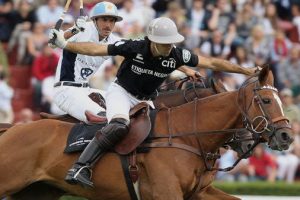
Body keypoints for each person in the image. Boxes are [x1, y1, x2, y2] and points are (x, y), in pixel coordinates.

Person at [49, 17, 256, 188]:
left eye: (171, 42)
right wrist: (65, 44)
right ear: (152, 40)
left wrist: (245, 71)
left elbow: (211, 62)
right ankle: (81, 167)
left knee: (161, 134)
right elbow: (96, 50)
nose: (168, 47)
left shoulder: (176, 54)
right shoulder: (134, 46)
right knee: (119, 125)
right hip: (121, 93)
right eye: (164, 43)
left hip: (146, 100)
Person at [51, 1, 123, 123]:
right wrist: (74, 30)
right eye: (104, 20)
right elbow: (53, 42)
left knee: (124, 106)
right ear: (94, 20)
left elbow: (132, 46)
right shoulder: (82, 29)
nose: (108, 25)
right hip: (66, 91)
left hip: (86, 90)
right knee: (104, 120)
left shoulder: (112, 39)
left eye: (112, 21)